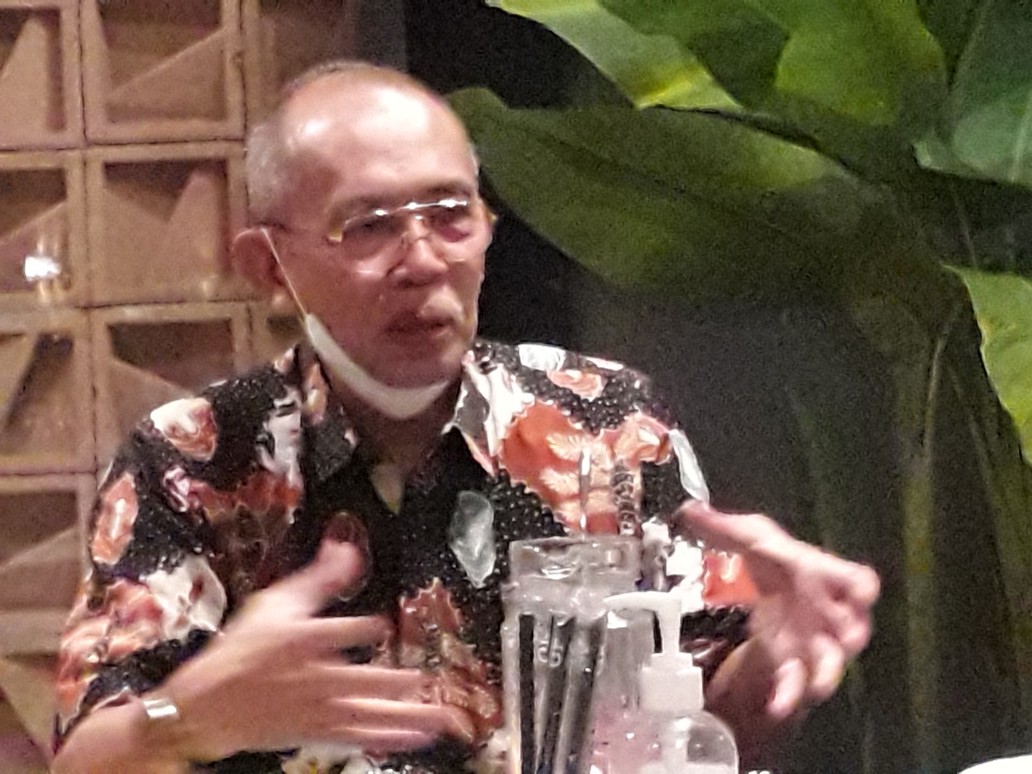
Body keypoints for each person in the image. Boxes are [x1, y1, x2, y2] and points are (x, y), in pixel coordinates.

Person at [51, 61, 879, 773]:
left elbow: (706, 726)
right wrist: (189, 719)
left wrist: (775, 655)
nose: (422, 262)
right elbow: (85, 757)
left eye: (451, 215)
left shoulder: (606, 419)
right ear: (269, 265)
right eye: (368, 227)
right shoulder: (192, 457)